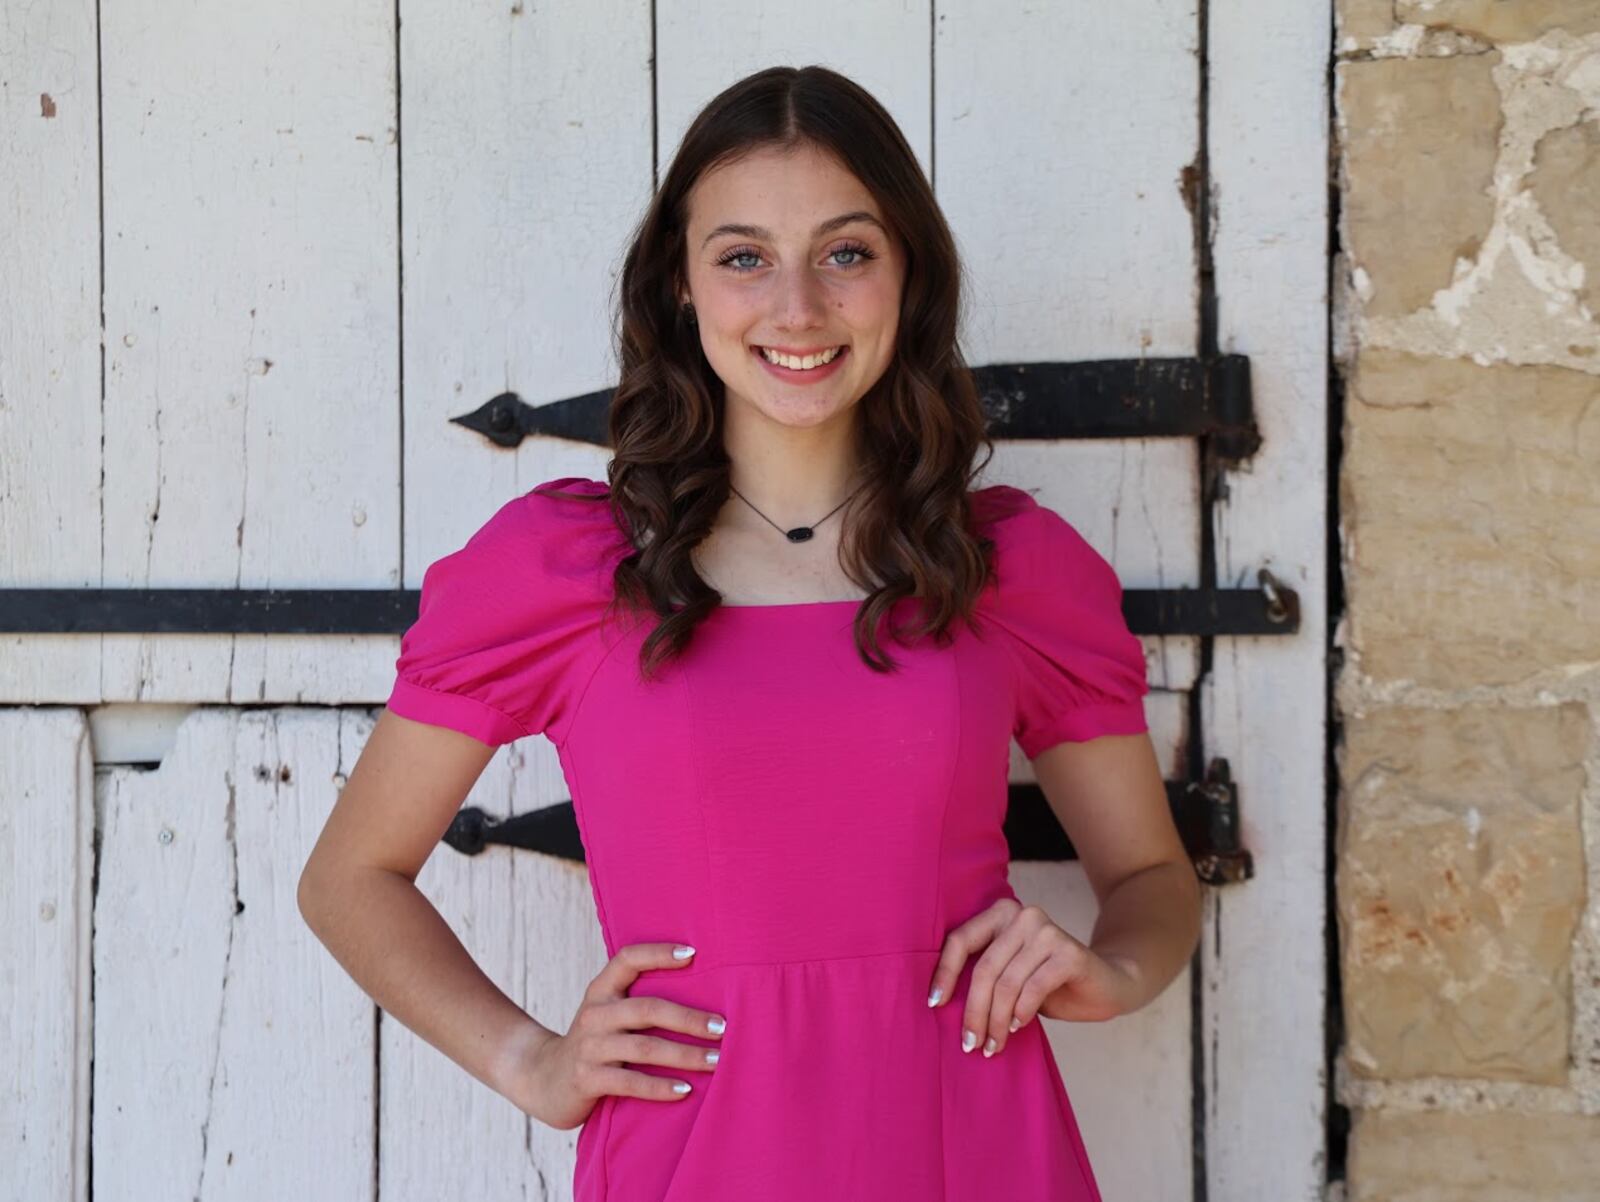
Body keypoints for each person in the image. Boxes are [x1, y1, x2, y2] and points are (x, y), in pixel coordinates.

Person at [299, 64, 1201, 1202]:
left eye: (845, 252)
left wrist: (1111, 967)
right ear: (680, 286)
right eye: (742, 258)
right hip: (695, 1156)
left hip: (974, 1145)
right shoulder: (564, 572)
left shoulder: (1007, 571)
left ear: (906, 274)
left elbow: (1150, 874)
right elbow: (350, 876)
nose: (797, 308)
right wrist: (531, 1059)